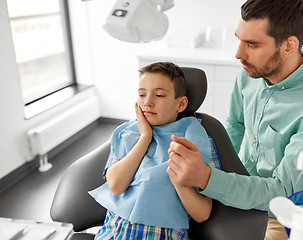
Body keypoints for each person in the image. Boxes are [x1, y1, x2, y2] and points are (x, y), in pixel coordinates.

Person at [166, 0, 303, 239]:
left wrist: (208, 178)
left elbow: (282, 193)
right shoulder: (251, 73)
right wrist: (208, 171)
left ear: (288, 46)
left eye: (252, 44)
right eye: (239, 39)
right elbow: (233, 127)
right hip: (236, 187)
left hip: (283, 213)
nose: (238, 53)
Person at [88, 62, 220, 240]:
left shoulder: (196, 141)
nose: (147, 102)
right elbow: (116, 186)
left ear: (181, 104)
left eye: (159, 95)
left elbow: (202, 213)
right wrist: (144, 138)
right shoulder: (126, 134)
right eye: (142, 94)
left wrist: (179, 180)